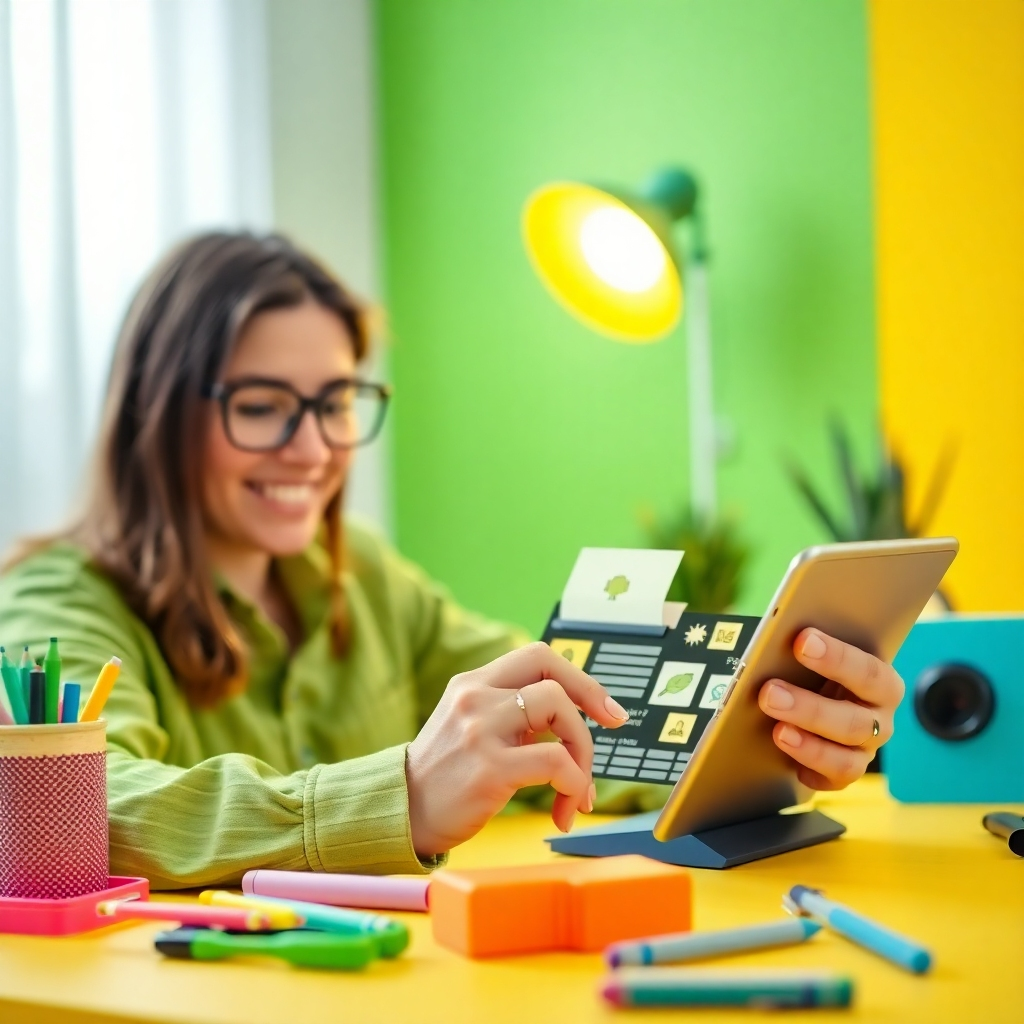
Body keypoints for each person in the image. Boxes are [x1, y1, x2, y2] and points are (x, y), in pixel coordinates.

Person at [0, 234, 903, 888]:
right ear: (160, 413)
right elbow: (67, 811)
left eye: (338, 402)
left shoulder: (369, 581)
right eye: (265, 404)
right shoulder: (58, 602)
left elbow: (564, 719)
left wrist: (768, 727)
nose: (312, 448)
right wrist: (399, 794)